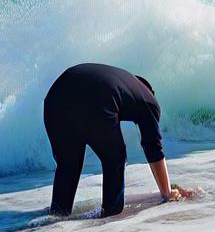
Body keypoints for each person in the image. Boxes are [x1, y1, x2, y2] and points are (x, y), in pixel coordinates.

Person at [43, 63, 189, 218]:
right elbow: (152, 146)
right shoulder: (148, 98)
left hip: (55, 99)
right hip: (96, 98)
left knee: (68, 164)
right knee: (115, 159)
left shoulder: (123, 81)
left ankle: (56, 218)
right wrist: (166, 193)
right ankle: (110, 216)